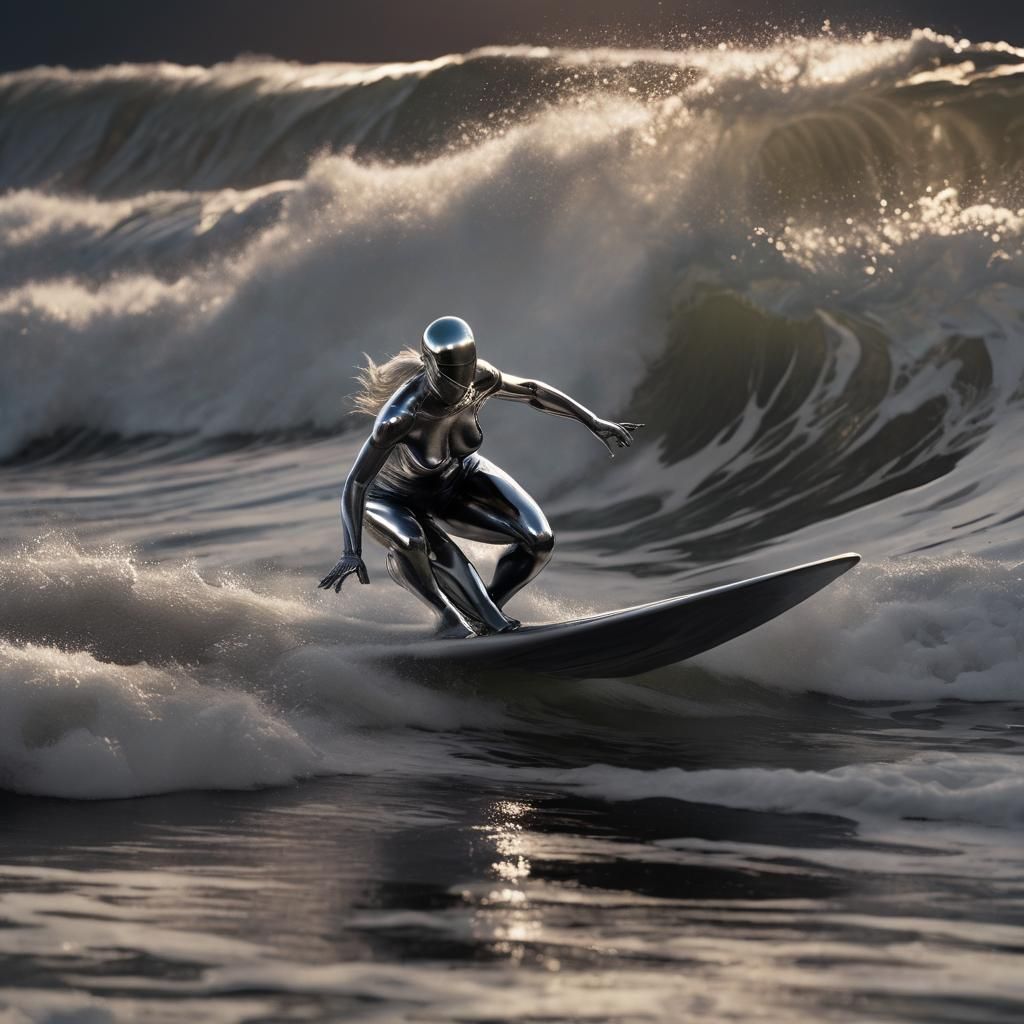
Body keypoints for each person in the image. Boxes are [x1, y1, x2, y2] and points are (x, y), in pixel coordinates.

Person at [319, 316, 642, 638]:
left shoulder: (480, 378)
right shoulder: (400, 416)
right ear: (431, 367)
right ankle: (453, 618)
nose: (461, 389)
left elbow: (532, 392)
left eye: (466, 376)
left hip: (457, 477)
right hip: (391, 498)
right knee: (414, 542)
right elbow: (357, 482)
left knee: (539, 542)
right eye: (450, 380)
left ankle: (484, 615)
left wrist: (593, 421)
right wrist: (351, 552)